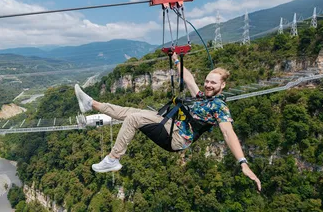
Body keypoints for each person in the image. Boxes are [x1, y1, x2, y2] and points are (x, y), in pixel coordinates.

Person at [75, 53, 261, 191]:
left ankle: (113, 159)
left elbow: (229, 134)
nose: (208, 85)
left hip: (176, 139)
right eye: (207, 81)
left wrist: (243, 162)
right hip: (170, 125)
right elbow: (188, 78)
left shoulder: (219, 107)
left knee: (133, 118)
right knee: (131, 112)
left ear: (223, 85)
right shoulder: (201, 97)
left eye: (213, 83)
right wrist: (175, 57)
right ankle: (91, 103)